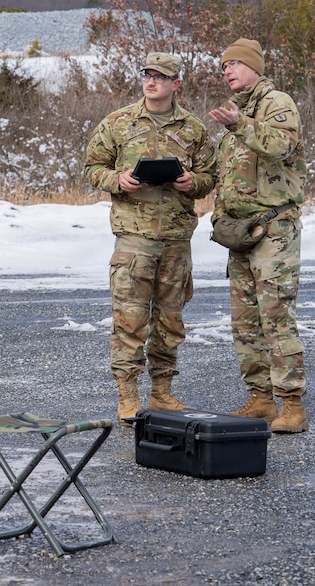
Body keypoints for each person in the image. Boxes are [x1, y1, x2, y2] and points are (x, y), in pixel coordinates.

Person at [85, 52, 216, 426]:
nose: (152, 81)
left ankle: (162, 392)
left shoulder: (193, 129)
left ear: (176, 84)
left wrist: (193, 182)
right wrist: (117, 180)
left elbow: (210, 174)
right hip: (134, 238)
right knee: (130, 320)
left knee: (171, 321)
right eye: (147, 74)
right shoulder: (118, 122)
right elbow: (93, 167)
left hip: (176, 238)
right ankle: (128, 396)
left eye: (160, 76)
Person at [208, 38, 309, 433]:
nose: (227, 71)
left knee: (276, 316)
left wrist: (241, 125)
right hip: (240, 232)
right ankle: (261, 399)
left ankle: (292, 405)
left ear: (254, 67)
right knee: (245, 321)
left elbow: (282, 145)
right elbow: (226, 175)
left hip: (273, 229)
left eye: (234, 64)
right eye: (223, 66)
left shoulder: (277, 104)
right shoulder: (236, 113)